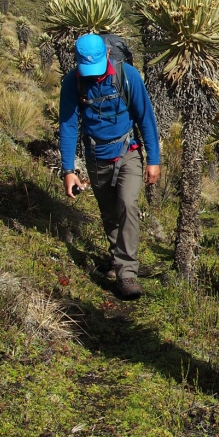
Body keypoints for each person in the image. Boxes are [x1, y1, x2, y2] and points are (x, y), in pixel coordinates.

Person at [59, 33, 161, 299]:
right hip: (96, 156)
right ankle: (118, 259)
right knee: (109, 213)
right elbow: (68, 126)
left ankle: (127, 274)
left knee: (128, 203)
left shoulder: (128, 76)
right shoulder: (73, 82)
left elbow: (145, 118)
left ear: (107, 55)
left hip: (128, 151)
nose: (93, 75)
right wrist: (68, 170)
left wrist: (153, 160)